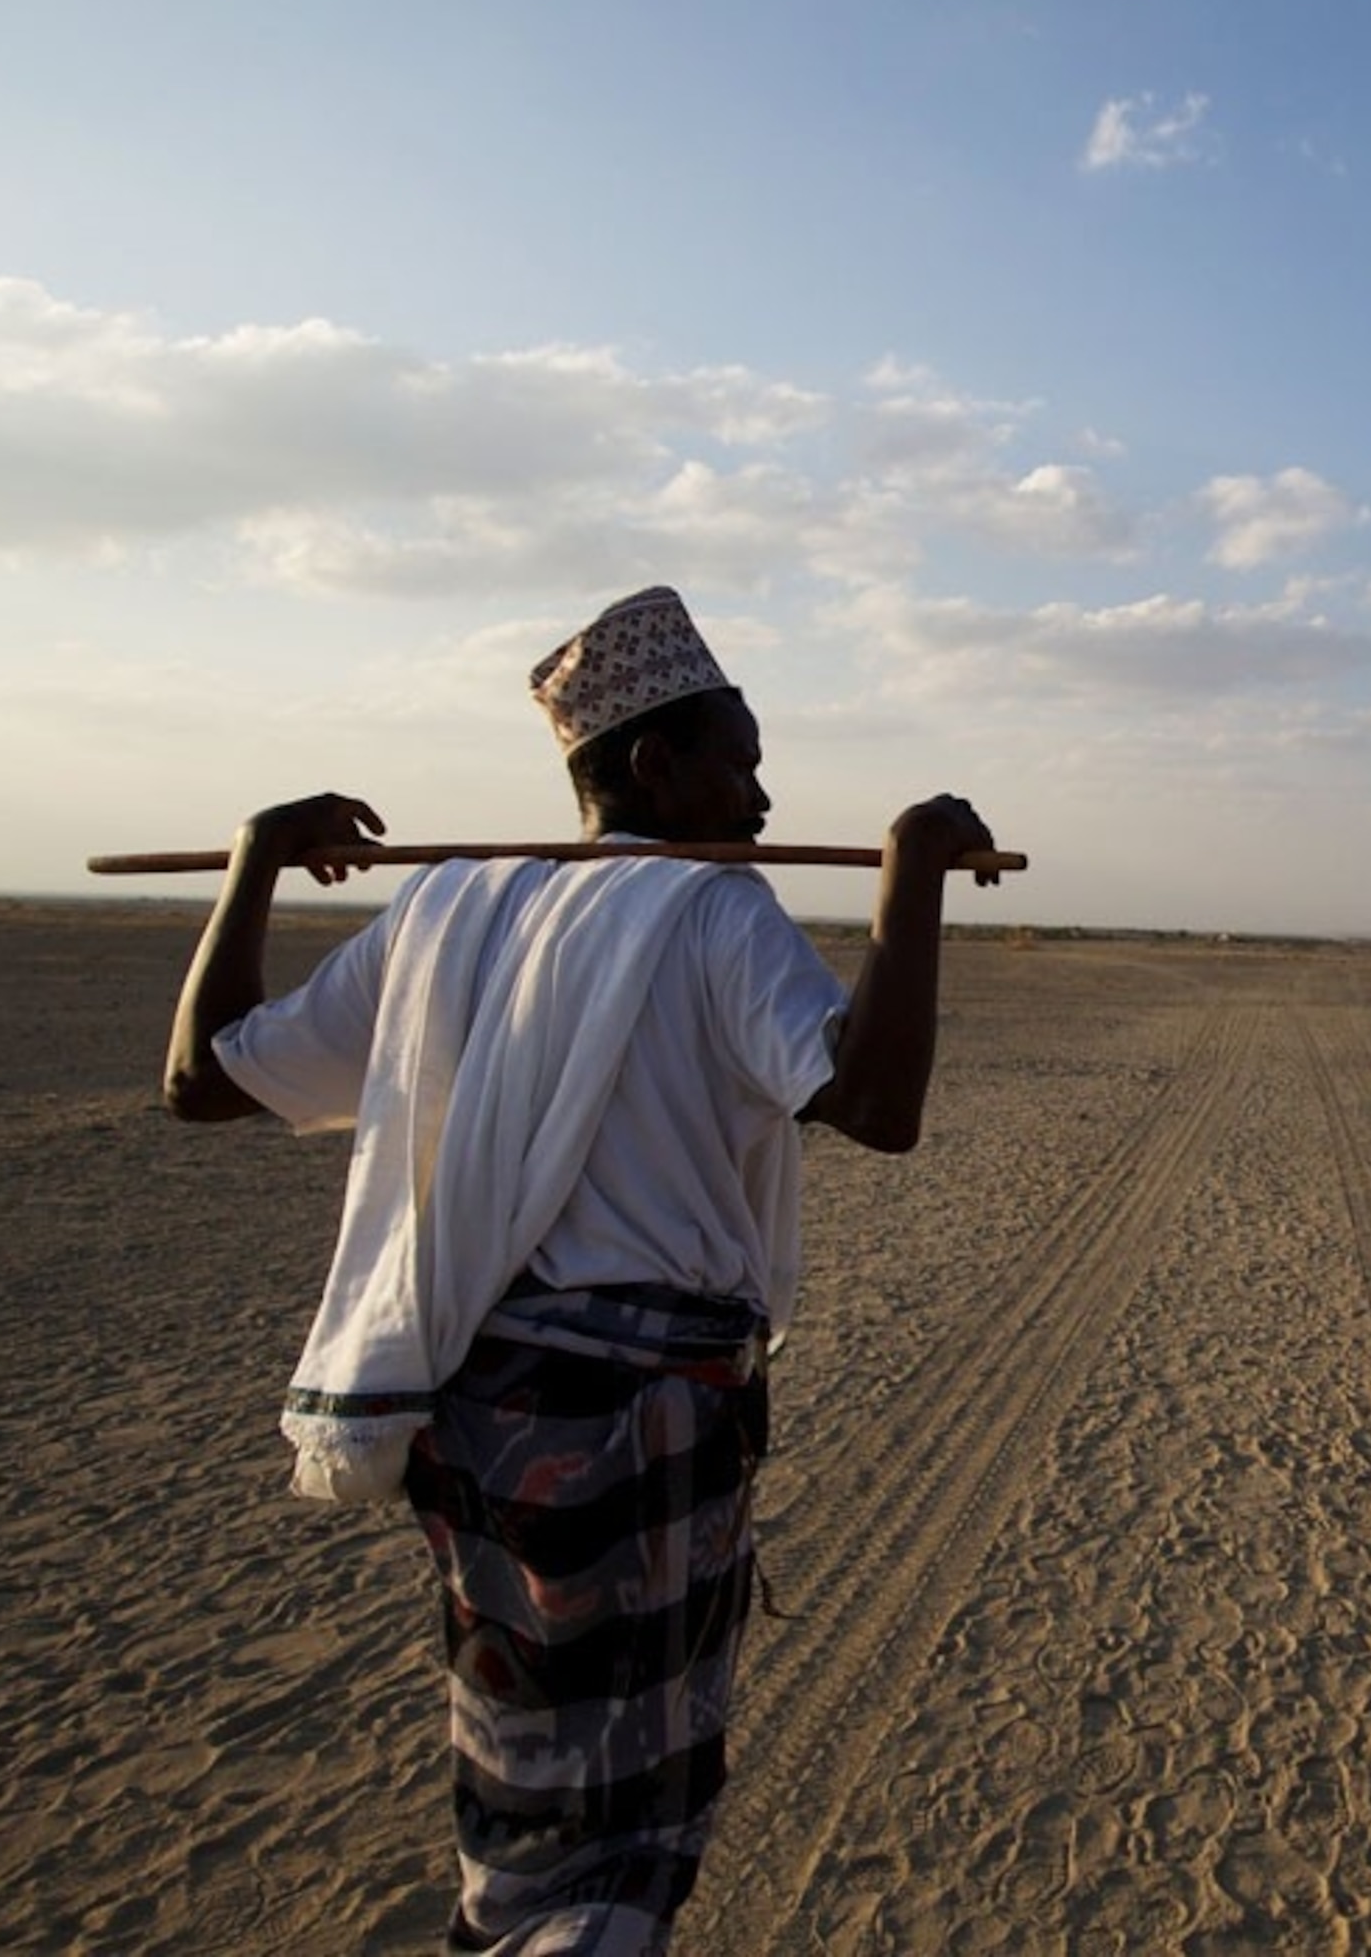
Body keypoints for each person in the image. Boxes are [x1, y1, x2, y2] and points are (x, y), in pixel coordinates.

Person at [162, 584, 998, 1953]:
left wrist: (253, 859)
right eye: (745, 757)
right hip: (641, 1419)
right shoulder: (709, 908)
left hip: (479, 1421)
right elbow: (878, 1104)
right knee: (626, 1826)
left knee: (527, 1780)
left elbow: (203, 1077)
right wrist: (910, 873)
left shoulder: (444, 912)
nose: (769, 796)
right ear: (660, 764)